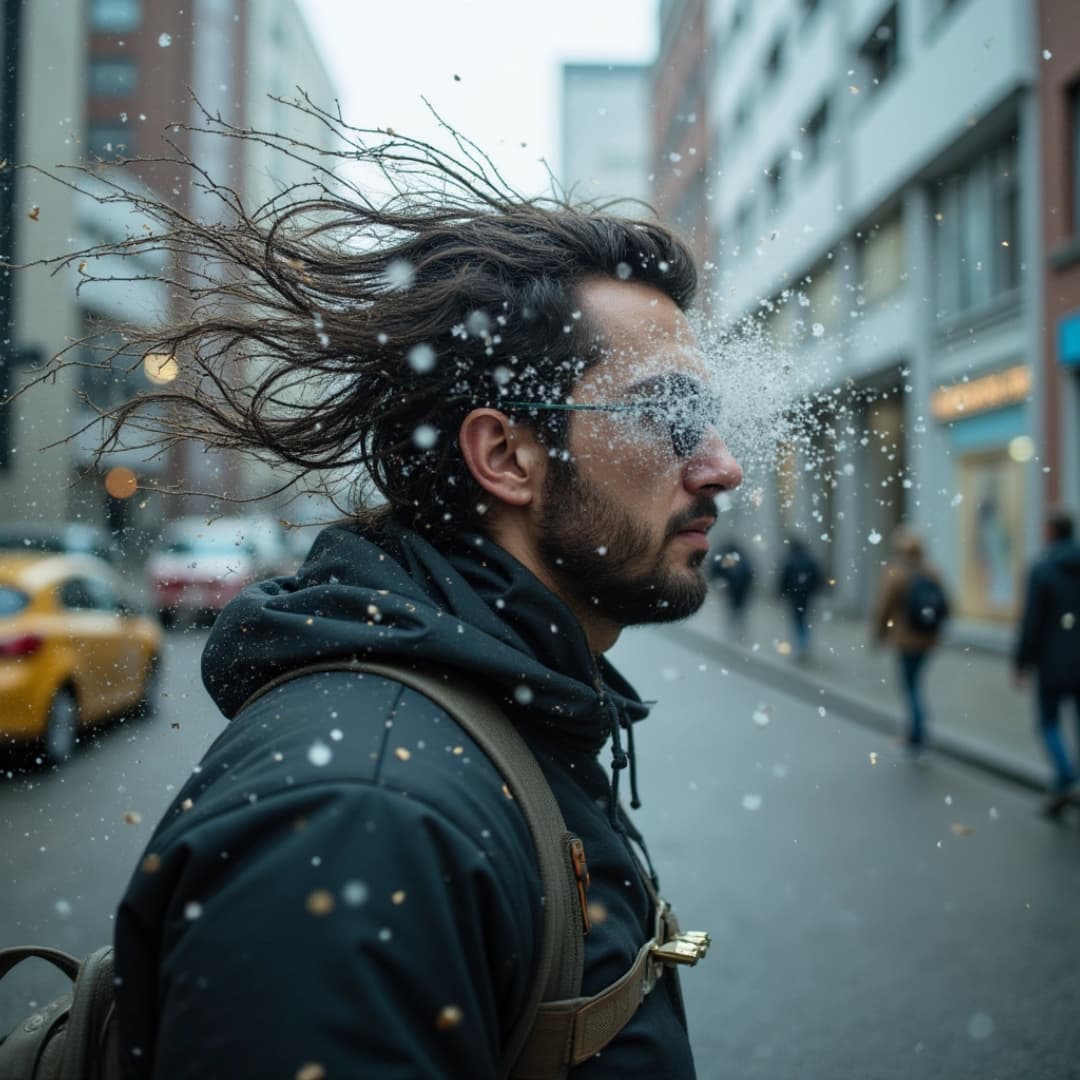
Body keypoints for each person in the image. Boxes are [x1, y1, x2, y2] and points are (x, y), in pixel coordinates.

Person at [93, 126, 743, 1078]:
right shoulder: (365, 809)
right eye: (670, 414)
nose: (720, 465)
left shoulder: (504, 707)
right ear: (506, 457)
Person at [1013, 509, 1080, 817]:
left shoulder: (1042, 569)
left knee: (1048, 723)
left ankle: (1066, 778)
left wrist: (1021, 663)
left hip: (1052, 662)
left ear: (1051, 532)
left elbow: (1031, 622)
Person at [872, 527, 950, 754]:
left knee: (910, 687)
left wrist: (878, 635)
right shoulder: (932, 572)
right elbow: (947, 605)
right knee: (916, 684)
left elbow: (883, 608)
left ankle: (916, 735)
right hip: (928, 638)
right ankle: (917, 732)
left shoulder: (895, 574)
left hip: (906, 640)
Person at [777, 536, 822, 661]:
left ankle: (800, 646)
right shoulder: (810, 560)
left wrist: (781, 593)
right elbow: (817, 578)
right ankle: (804, 645)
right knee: (803, 620)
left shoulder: (790, 560)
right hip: (806, 596)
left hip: (794, 597)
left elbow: (783, 579)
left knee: (797, 621)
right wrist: (813, 591)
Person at [709, 537, 754, 635]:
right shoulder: (741, 559)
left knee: (735, 609)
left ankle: (736, 628)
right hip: (739, 590)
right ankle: (738, 629)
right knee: (738, 609)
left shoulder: (730, 559)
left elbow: (721, 571)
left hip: (736, 589)